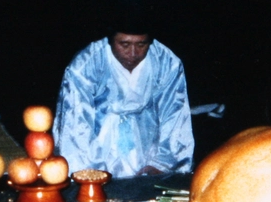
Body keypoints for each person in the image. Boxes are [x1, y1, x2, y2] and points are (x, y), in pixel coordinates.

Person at [54, 23, 195, 178]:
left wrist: (162, 164)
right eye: (124, 44)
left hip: (149, 145)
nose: (133, 53)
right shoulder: (86, 64)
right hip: (96, 146)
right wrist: (91, 172)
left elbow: (175, 115)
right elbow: (76, 124)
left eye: (141, 44)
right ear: (110, 40)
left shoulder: (167, 62)